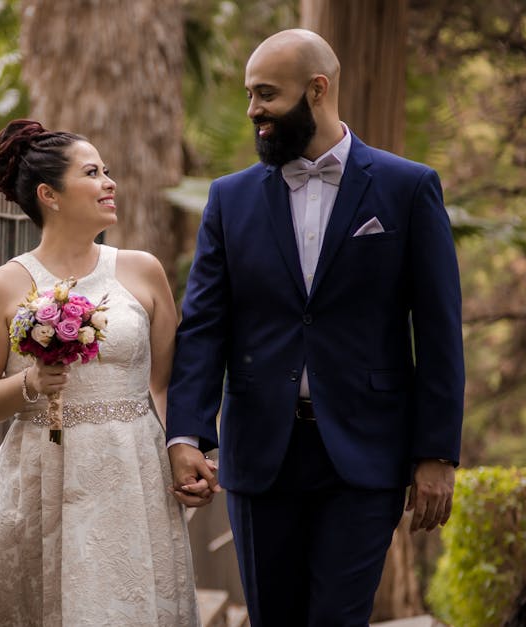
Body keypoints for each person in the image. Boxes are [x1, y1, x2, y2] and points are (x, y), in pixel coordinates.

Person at [165, 29, 465, 626]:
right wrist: (187, 435)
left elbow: (438, 331)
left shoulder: (408, 188)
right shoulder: (229, 199)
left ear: (317, 90)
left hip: (366, 452)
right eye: (250, 95)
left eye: (266, 94)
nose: (253, 111)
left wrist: (436, 453)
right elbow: (203, 327)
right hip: (260, 454)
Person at [0, 119, 201, 626]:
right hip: (41, 481)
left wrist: (183, 450)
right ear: (49, 195)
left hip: (133, 478)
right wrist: (29, 383)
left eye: (106, 171)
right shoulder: (1, 286)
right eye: (92, 173)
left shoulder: (143, 270)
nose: (110, 183)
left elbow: (167, 382)